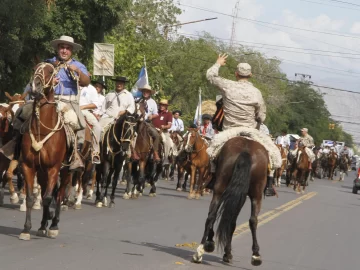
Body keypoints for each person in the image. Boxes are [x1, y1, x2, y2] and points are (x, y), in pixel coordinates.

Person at [205, 54, 281, 197]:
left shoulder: (227, 85)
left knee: (212, 150)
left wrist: (218, 63)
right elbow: (261, 116)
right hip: (251, 131)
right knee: (274, 155)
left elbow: (210, 76)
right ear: (250, 75)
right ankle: (269, 184)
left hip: (229, 131)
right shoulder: (257, 93)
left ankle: (214, 177)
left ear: (236, 74)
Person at [12, 35, 90, 172]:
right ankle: (16, 150)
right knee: (21, 113)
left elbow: (86, 82)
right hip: (46, 99)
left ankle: (75, 156)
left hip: (68, 101)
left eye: (67, 48)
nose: (64, 51)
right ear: (57, 49)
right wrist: (49, 84)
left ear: (71, 50)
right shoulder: (48, 64)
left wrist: (77, 72)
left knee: (78, 123)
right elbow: (37, 81)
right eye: (62, 47)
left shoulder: (78, 65)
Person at [79, 82, 101, 164]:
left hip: (85, 111)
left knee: (98, 127)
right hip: (71, 109)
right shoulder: (71, 84)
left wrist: (83, 106)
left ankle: (95, 152)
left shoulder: (91, 88)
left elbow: (95, 104)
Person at [138, 84, 160, 162]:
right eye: (144, 91)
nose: (145, 93)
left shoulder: (153, 102)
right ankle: (128, 152)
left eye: (147, 91)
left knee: (156, 135)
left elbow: (156, 114)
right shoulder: (137, 100)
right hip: (137, 122)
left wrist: (152, 116)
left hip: (147, 123)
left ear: (150, 93)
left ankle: (155, 152)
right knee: (128, 132)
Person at [152, 99, 174, 165]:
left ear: (166, 106)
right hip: (153, 130)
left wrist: (164, 126)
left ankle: (166, 159)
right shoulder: (155, 112)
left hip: (163, 132)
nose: (161, 106)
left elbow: (169, 125)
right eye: (161, 105)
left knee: (167, 142)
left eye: (163, 105)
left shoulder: (169, 114)